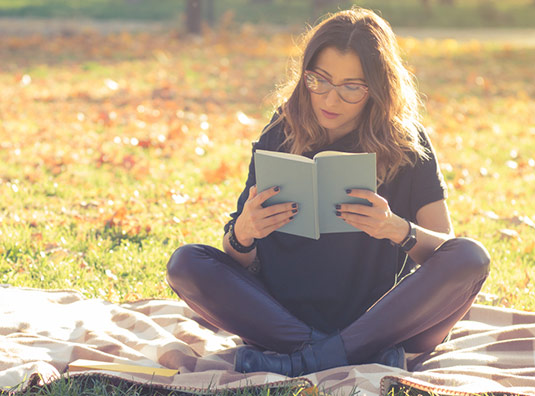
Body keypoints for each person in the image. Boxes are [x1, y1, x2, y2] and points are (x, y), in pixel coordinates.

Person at [165, 7, 490, 377]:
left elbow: (445, 250)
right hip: (281, 316)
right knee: (186, 263)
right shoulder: (281, 128)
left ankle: (311, 357)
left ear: (378, 88)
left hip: (379, 317)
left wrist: (397, 229)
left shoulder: (407, 143)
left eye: (351, 87)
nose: (329, 99)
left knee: (471, 257)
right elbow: (235, 255)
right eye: (318, 80)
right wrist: (243, 232)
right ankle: (345, 354)